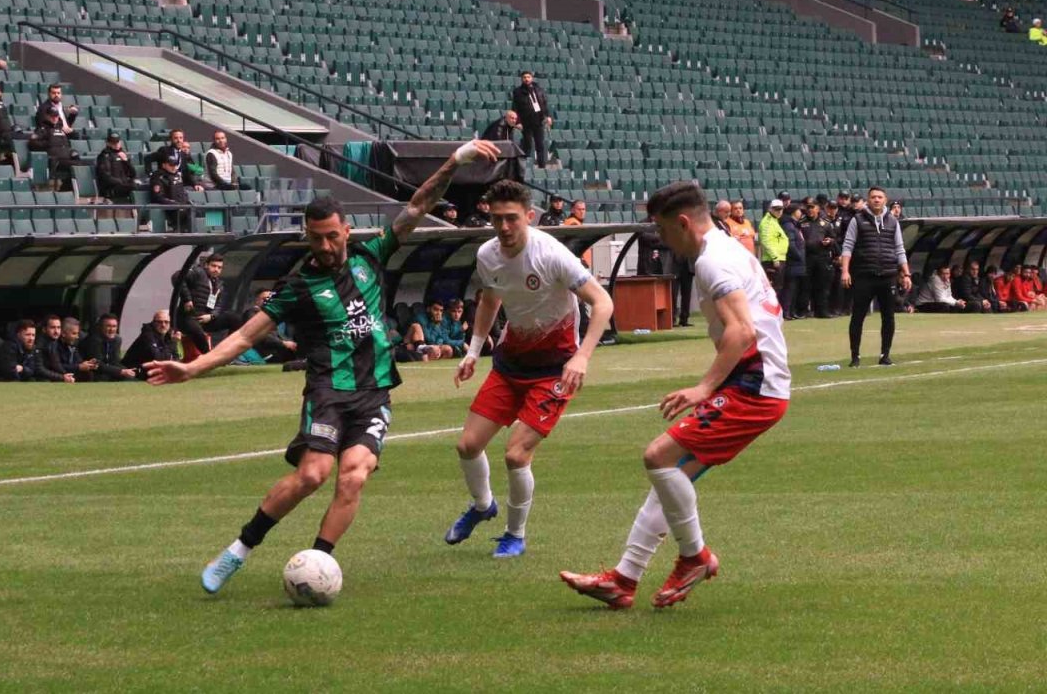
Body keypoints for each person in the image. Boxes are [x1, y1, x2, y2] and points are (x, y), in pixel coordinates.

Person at [143, 138, 501, 595]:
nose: (327, 245)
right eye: (317, 238)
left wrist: (456, 161)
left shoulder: (372, 255)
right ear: (306, 237)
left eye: (333, 235)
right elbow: (245, 336)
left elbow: (416, 205)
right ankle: (237, 551)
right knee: (312, 475)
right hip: (328, 392)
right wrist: (193, 369)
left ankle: (317, 566)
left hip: (373, 393)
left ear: (347, 230)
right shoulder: (299, 286)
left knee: (353, 474)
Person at [560, 181, 789, 610]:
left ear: (684, 223)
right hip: (758, 381)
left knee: (658, 457)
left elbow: (742, 332)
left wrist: (704, 388)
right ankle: (623, 580)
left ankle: (694, 557)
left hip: (754, 385)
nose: (662, 241)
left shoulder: (713, 263)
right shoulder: (727, 249)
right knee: (670, 479)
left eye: (663, 231)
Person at [446, 178, 615, 558]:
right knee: (467, 445)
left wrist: (582, 356)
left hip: (555, 369)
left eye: (511, 219)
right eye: (496, 220)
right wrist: (473, 352)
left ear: (530, 216)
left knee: (516, 454)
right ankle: (481, 506)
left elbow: (602, 303)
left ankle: (515, 534)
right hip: (510, 363)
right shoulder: (487, 255)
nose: (503, 228)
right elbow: (490, 301)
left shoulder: (552, 255)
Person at [841, 186, 912, 367]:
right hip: (864, 274)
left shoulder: (893, 222)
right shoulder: (857, 220)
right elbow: (847, 247)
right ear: (868, 199)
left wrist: (906, 273)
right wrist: (845, 270)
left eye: (880, 197)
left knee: (888, 316)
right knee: (858, 316)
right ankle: (855, 357)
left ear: (885, 200)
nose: (876, 200)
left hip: (888, 275)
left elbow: (900, 249)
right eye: (873, 197)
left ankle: (885, 355)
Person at [176, 253, 242, 355]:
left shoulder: (219, 284)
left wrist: (211, 316)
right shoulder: (198, 273)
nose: (216, 269)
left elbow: (218, 306)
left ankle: (228, 352)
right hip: (188, 317)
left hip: (206, 319)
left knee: (234, 318)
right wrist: (187, 299)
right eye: (213, 266)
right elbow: (177, 277)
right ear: (206, 265)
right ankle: (209, 358)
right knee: (198, 333)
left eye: (219, 267)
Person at [32, 84, 79, 191]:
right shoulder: (45, 108)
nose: (56, 95)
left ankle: (66, 189)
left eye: (58, 93)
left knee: (82, 156)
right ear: (49, 94)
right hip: (55, 152)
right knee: (77, 166)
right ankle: (65, 190)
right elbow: (44, 126)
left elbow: (65, 125)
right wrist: (50, 142)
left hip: (63, 140)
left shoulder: (60, 107)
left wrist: (72, 115)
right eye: (54, 93)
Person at [799, 199, 836, 317]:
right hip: (807, 257)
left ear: (818, 209)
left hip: (821, 257)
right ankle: (804, 310)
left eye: (812, 207)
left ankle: (822, 311)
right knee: (805, 285)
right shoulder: (801, 222)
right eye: (808, 207)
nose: (810, 210)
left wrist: (829, 241)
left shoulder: (825, 223)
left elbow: (833, 238)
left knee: (822, 285)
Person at [241, 289, 298, 363]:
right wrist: (283, 343)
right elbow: (260, 335)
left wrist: (289, 342)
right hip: (266, 352)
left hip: (278, 349)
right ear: (257, 301)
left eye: (271, 299)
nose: (268, 301)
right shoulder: (252, 314)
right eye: (265, 299)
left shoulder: (271, 315)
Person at [511, 71, 552, 168]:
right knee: (527, 144)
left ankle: (542, 166)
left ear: (532, 78)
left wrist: (548, 116)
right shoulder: (517, 92)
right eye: (524, 77)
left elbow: (544, 104)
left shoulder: (538, 89)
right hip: (526, 121)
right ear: (522, 79)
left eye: (528, 77)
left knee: (540, 144)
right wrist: (518, 122)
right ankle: (525, 166)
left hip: (538, 120)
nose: (526, 79)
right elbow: (515, 107)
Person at [80, 313, 139, 381]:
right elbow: (97, 364)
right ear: (100, 327)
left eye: (114, 326)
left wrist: (127, 370)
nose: (112, 329)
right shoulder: (94, 340)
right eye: (108, 326)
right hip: (92, 372)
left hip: (107, 370)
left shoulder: (117, 340)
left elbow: (115, 361)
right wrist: (121, 371)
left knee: (131, 377)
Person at [149, 149, 191, 233]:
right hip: (171, 208)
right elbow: (157, 196)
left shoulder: (177, 175)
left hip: (183, 204)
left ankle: (213, 230)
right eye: (171, 165)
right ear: (164, 165)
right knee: (187, 212)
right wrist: (174, 204)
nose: (174, 167)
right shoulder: (158, 176)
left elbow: (182, 192)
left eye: (175, 165)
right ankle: (187, 231)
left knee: (204, 211)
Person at [95, 130, 137, 206]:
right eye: (113, 143)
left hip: (123, 185)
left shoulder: (122, 154)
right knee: (133, 186)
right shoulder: (104, 156)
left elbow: (133, 174)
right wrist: (122, 182)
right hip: (111, 189)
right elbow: (105, 177)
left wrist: (126, 161)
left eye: (117, 142)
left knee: (142, 186)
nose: (116, 144)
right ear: (108, 143)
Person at [779, 203, 806, 319]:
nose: (801, 213)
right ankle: (786, 311)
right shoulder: (789, 226)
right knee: (789, 288)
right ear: (794, 212)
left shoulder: (794, 225)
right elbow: (791, 244)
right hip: (793, 262)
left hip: (796, 263)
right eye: (799, 210)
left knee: (794, 288)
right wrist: (799, 256)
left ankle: (790, 311)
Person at [757, 199, 788, 296]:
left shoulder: (774, 221)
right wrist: (774, 257)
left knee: (778, 288)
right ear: (770, 209)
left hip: (778, 259)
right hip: (772, 260)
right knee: (773, 289)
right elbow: (765, 241)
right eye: (776, 209)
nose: (779, 211)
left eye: (781, 209)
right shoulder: (767, 222)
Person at [35, 315, 76, 383]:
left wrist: (66, 375)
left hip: (50, 378)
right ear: (44, 329)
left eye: (58, 327)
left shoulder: (53, 342)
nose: (56, 331)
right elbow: (39, 369)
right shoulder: (39, 345)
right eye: (52, 327)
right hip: (39, 380)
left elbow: (56, 364)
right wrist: (62, 377)